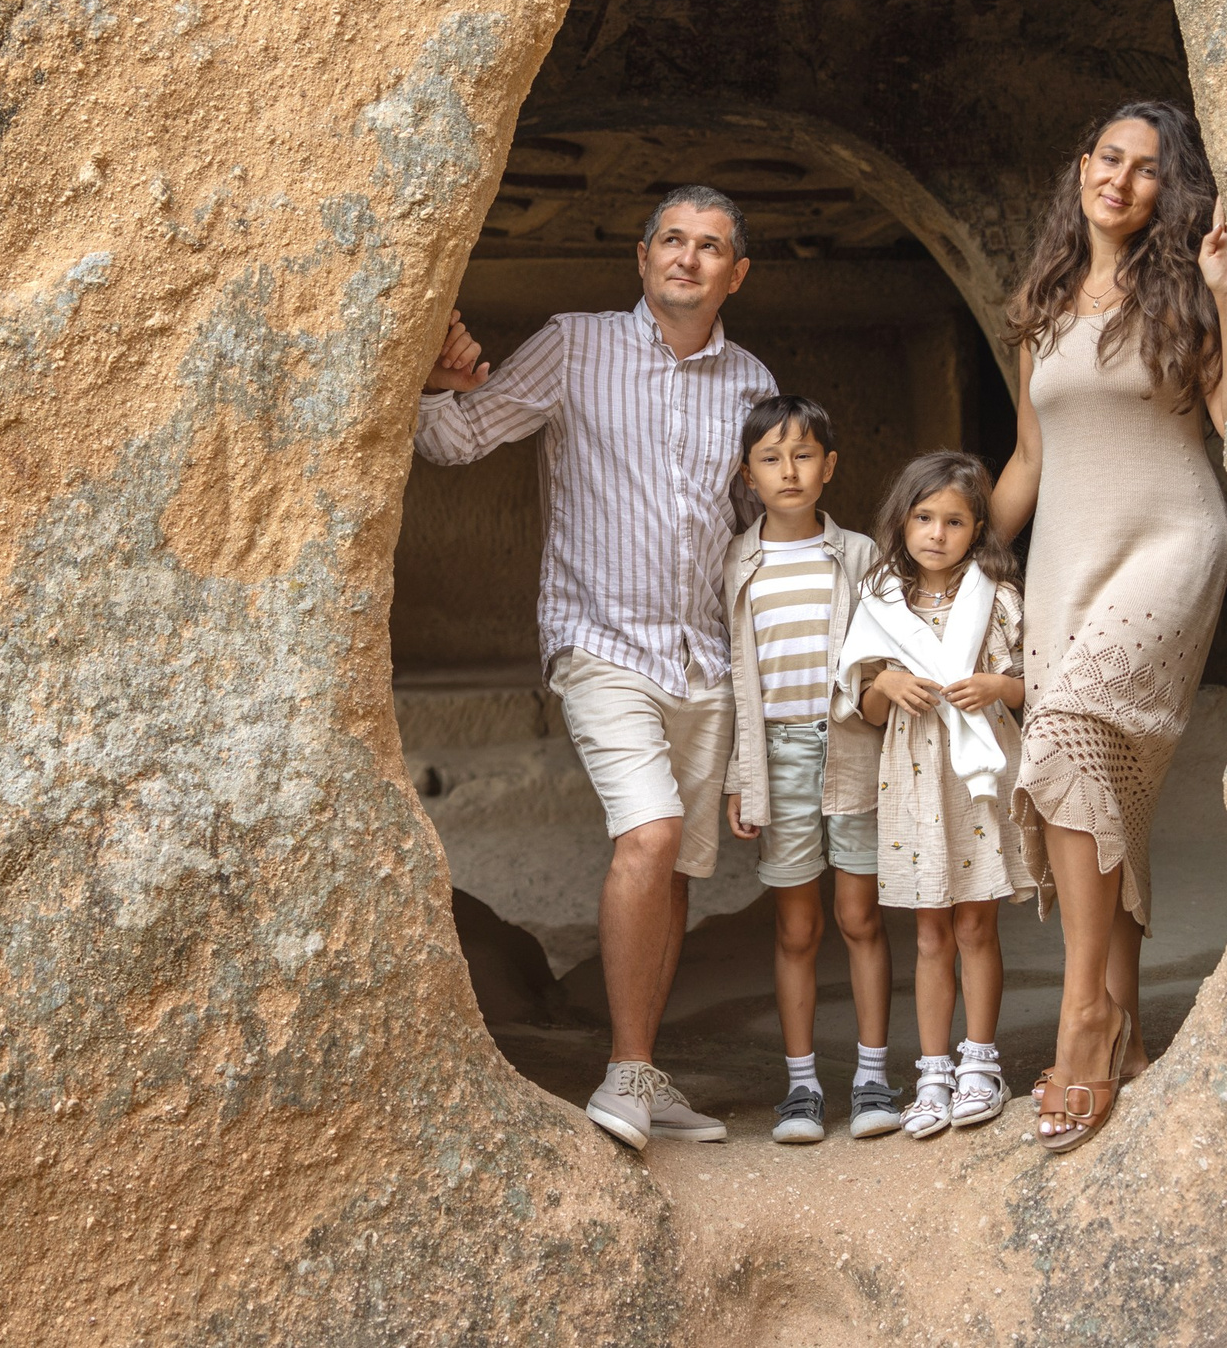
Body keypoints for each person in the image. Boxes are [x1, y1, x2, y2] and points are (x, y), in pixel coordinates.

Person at [415, 184, 776, 1151]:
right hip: (600, 643)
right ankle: (622, 1073)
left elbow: (755, 531)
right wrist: (442, 376)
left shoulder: (753, 383)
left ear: (735, 273)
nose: (686, 258)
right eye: (670, 239)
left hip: (701, 655)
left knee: (681, 869)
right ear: (643, 256)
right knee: (650, 835)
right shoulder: (576, 344)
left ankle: (649, 1074)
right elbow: (454, 440)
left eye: (709, 246)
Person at [988, 100, 1227, 1154]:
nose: (1121, 179)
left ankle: (1083, 1018)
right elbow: (1030, 464)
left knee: (1075, 732)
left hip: (1172, 541)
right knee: (1104, 800)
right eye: (1108, 157)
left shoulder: (1182, 286)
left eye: (1146, 170)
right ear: (1079, 164)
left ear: (1165, 191)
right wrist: (936, 566)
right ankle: (1126, 1034)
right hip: (1063, 563)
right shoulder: (1040, 302)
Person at [835, 451, 1032, 1139]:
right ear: (903, 520)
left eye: (954, 520)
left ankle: (981, 1062)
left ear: (977, 527)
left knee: (976, 922)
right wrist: (886, 684)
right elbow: (863, 702)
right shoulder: (883, 598)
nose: (937, 533)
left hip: (974, 778)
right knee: (927, 931)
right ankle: (932, 1071)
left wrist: (994, 688)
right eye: (924, 517)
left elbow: (1026, 684)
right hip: (915, 776)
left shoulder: (996, 597)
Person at [717, 396, 890, 1145]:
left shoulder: (859, 556)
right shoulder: (736, 562)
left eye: (804, 454)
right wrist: (737, 773)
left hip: (853, 746)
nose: (789, 470)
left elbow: (885, 655)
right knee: (797, 926)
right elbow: (731, 676)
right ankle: (801, 1087)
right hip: (778, 753)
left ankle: (876, 1076)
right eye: (770, 457)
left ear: (830, 467)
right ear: (748, 475)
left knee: (860, 916)